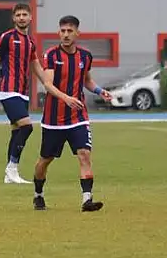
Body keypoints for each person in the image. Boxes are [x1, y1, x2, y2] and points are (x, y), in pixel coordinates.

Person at [33, 15, 110, 212]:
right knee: (45, 160)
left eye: (69, 31)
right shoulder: (51, 55)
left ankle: (87, 199)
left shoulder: (85, 56)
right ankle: (38, 194)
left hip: (78, 117)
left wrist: (101, 91)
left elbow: (87, 80)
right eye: (62, 31)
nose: (65, 35)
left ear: (77, 33)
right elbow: (47, 84)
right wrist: (66, 98)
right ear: (59, 32)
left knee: (84, 154)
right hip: (53, 120)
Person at [0, 3, 47, 184]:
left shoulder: (30, 42)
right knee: (27, 127)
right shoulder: (7, 37)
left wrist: (48, 84)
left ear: (31, 18)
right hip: (8, 90)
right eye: (18, 15)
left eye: (25, 14)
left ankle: (10, 175)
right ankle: (12, 167)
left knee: (16, 132)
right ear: (14, 18)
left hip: (23, 93)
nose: (21, 17)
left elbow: (36, 65)